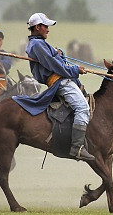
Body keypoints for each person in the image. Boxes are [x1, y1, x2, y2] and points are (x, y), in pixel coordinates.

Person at [14, 12, 95, 161]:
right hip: (61, 82)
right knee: (83, 108)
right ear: (37, 27)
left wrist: (58, 54)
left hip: (64, 80)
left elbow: (54, 60)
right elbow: (55, 66)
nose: (48, 29)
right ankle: (77, 148)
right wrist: (75, 70)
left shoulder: (39, 43)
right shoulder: (37, 44)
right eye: (46, 26)